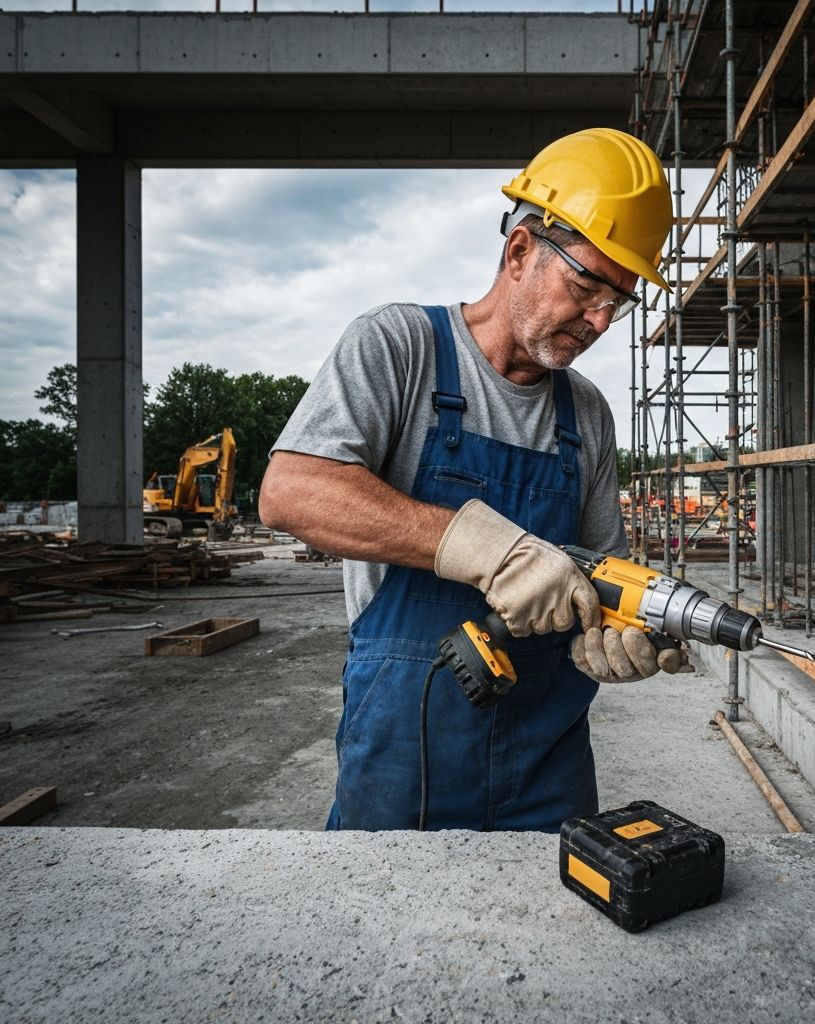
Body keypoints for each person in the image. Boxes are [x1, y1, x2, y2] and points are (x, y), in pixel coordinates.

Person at [259, 127, 690, 833]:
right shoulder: (399, 347)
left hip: (549, 763)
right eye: (587, 285)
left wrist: (617, 634)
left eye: (622, 301)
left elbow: (606, 574)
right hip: (405, 752)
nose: (601, 320)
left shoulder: (585, 412)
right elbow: (292, 491)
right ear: (520, 251)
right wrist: (485, 547)